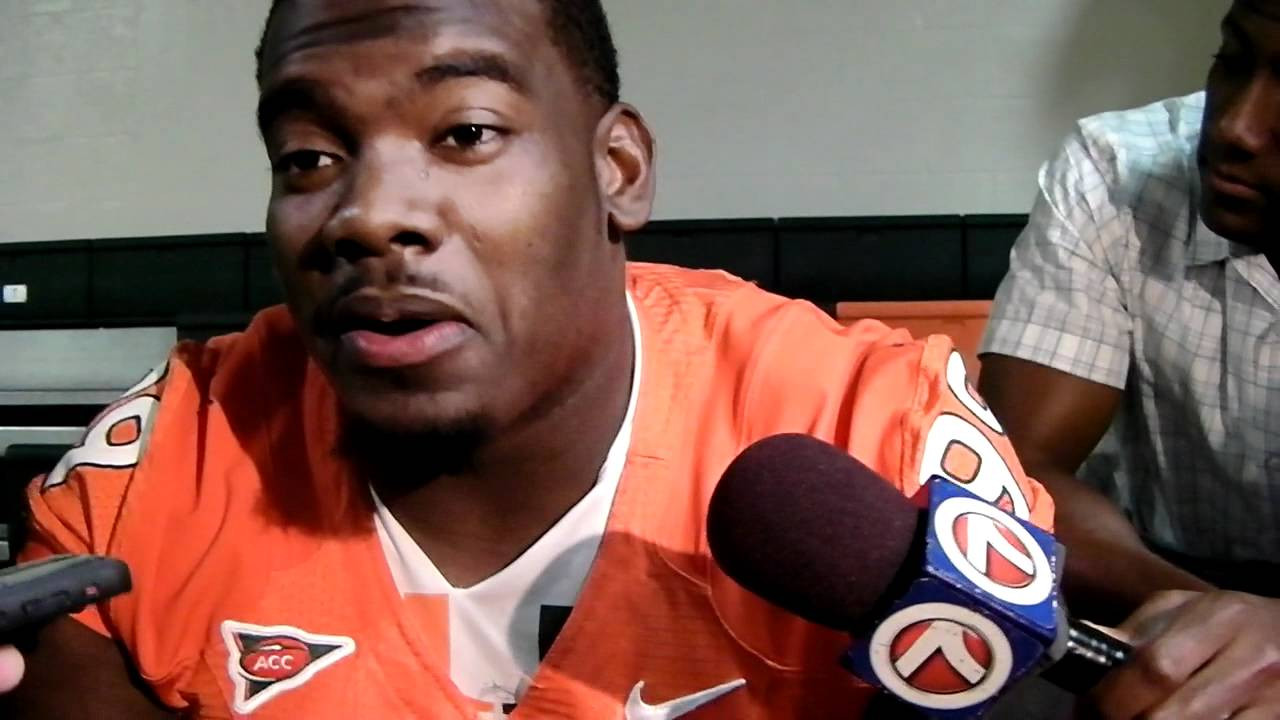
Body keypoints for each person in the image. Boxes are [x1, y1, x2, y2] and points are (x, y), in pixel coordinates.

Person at [0, 1, 1274, 718]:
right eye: (308, 159)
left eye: (465, 131)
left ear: (616, 171)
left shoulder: (855, 425)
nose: (365, 214)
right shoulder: (163, 463)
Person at [978, 0, 1280, 713]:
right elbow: (1016, 472)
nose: (1235, 124)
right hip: (1143, 582)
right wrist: (1230, 632)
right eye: (1233, 61)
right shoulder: (1114, 170)